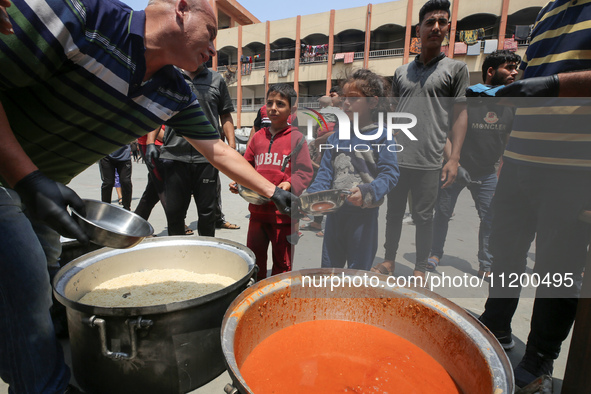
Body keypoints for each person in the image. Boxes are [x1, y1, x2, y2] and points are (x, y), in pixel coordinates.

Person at [0, 1, 295, 393]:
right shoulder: (86, 17)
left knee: (45, 281)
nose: (213, 50)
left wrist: (274, 192)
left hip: (44, 188)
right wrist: (27, 178)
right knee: (26, 287)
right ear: (182, 8)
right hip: (13, 181)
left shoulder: (174, 91)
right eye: (210, 33)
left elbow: (217, 150)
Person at [477, 1, 591, 388]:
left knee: (557, 268)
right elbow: (532, 82)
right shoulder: (548, 11)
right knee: (505, 250)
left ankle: (540, 358)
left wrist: (555, 85)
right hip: (520, 159)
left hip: (574, 167)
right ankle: (496, 326)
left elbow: (549, 83)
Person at [373, 0, 469, 278]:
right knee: (393, 214)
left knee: (424, 217)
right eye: (430, 22)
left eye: (442, 22)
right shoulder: (402, 72)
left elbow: (461, 115)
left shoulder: (455, 69)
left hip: (430, 159)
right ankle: (389, 260)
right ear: (419, 29)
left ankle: (419, 267)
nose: (436, 27)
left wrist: (454, 158)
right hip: (398, 157)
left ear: (448, 27)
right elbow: (392, 111)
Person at [427, 50, 520, 275]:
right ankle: (434, 254)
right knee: (442, 214)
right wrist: (453, 163)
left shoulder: (510, 104)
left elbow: (508, 141)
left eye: (515, 68)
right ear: (490, 71)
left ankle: (486, 264)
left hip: (488, 173)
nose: (514, 72)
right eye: (508, 67)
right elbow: (445, 135)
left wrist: (503, 172)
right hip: (456, 169)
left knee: (490, 219)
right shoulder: (467, 99)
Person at [306, 69, 399, 270]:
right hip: (335, 216)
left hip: (363, 218)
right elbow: (325, 173)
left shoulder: (382, 136)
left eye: (354, 98)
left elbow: (390, 174)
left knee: (357, 276)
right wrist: (312, 197)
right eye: (345, 98)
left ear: (372, 103)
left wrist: (368, 191)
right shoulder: (335, 137)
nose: (345, 103)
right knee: (329, 271)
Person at [230, 83, 314, 280]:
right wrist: (238, 182)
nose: (273, 108)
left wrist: (290, 183)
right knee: (255, 261)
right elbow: (246, 166)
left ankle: (280, 299)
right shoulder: (258, 137)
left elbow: (305, 172)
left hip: (283, 215)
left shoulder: (297, 138)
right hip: (257, 212)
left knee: (283, 264)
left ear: (292, 109)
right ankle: (257, 297)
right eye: (270, 103)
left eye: (280, 104)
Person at [155, 65, 235, 236]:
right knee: (174, 213)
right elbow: (157, 110)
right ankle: (177, 256)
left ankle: (206, 256)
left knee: (208, 213)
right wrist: (149, 143)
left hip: (207, 157)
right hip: (175, 156)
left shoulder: (216, 80)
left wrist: (232, 147)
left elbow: (225, 114)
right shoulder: (171, 76)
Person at [99, 144, 133, 211]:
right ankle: (105, 208)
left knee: (126, 181)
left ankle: (126, 208)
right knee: (108, 183)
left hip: (124, 156)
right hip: (106, 156)